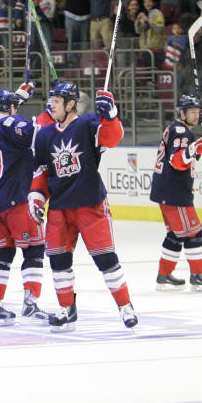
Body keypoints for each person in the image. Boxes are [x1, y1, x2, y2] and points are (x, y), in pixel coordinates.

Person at [30, 82, 137, 331]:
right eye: (50, 100)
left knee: (106, 259)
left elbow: (112, 138)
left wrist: (110, 116)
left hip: (90, 204)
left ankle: (125, 306)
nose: (50, 105)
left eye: (56, 101)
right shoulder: (45, 134)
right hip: (59, 207)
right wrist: (36, 195)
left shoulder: (89, 124)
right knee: (58, 262)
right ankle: (68, 310)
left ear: (70, 104)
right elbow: (42, 171)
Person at [0, 87, 49, 325]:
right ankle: (30, 303)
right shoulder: (11, 123)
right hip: (15, 201)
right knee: (34, 249)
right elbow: (39, 134)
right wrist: (50, 112)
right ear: (13, 107)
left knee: (1, 254)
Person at [150, 94, 202, 292]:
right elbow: (177, 160)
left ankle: (164, 275)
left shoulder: (175, 128)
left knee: (175, 234)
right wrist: (196, 147)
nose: (196, 116)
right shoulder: (182, 133)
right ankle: (198, 274)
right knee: (194, 233)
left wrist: (195, 149)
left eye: (198, 112)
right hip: (175, 193)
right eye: (192, 112)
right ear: (182, 112)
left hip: (166, 191)